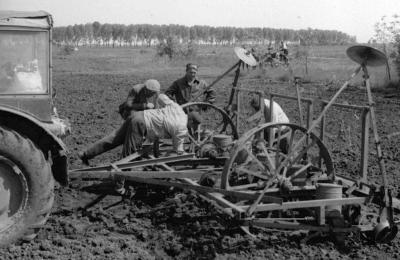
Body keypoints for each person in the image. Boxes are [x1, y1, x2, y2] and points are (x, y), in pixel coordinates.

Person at [78, 94, 188, 165]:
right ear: (191, 122)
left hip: (138, 115)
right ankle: (120, 185)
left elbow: (161, 97)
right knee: (129, 154)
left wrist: (158, 111)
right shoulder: (182, 128)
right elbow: (178, 151)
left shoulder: (176, 107)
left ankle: (85, 154)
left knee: (115, 138)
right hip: (141, 124)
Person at [165, 63, 216, 134]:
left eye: (194, 72)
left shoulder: (202, 83)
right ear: (186, 71)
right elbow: (167, 94)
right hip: (182, 111)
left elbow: (212, 93)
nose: (193, 74)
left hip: (197, 110)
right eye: (191, 72)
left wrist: (206, 104)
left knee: (196, 128)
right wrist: (174, 104)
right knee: (182, 130)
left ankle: (194, 139)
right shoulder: (178, 83)